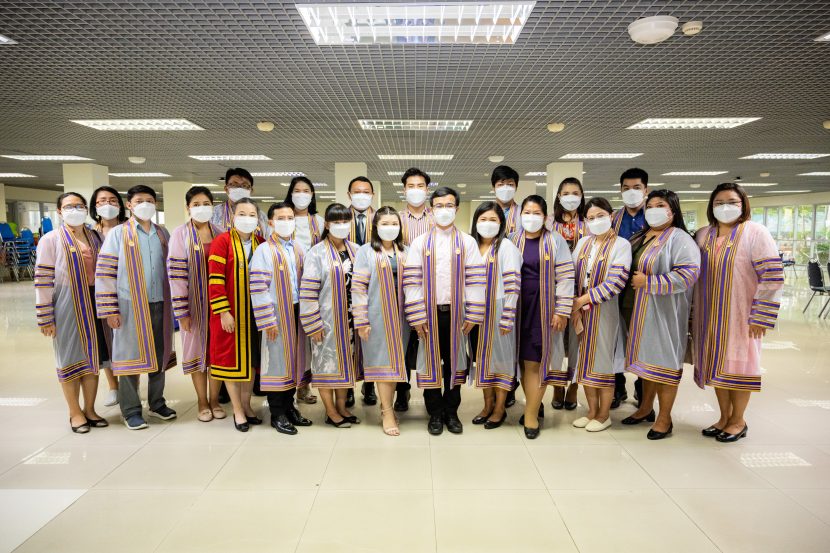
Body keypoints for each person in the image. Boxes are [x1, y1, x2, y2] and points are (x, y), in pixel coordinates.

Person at [693, 183, 784, 443]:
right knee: (718, 367)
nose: (725, 207)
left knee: (740, 367)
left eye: (732, 201)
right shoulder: (703, 235)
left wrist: (761, 315)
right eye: (719, 202)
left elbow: (772, 276)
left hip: (741, 316)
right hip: (709, 315)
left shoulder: (755, 233)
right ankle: (724, 417)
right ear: (711, 206)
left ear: (743, 204)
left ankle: (738, 420)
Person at [403, 187, 486, 435]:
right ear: (431, 210)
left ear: (457, 209)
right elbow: (412, 281)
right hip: (428, 314)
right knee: (430, 362)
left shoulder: (467, 242)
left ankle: (451, 412)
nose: (444, 210)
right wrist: (416, 315)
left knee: (455, 363)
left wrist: (473, 313)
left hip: (457, 314)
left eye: (449, 205)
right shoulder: (420, 243)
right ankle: (435, 413)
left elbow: (475, 281)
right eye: (439, 206)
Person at [95, 185, 177, 430]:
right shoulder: (118, 234)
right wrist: (110, 309)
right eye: (139, 201)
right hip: (129, 305)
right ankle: (130, 410)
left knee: (159, 355)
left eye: (149, 200)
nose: (145, 205)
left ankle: (157, 403)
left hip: (160, 302)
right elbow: (105, 273)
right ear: (129, 205)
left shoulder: (162, 233)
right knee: (129, 357)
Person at [620, 190, 700, 439]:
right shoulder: (641, 236)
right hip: (636, 309)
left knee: (664, 363)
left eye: (660, 205)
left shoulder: (680, 239)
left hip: (664, 312)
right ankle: (645, 408)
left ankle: (665, 419)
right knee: (647, 362)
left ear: (672, 210)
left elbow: (688, 275)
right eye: (651, 205)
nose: (654, 209)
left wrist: (649, 282)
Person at [35, 192, 109, 433]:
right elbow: (43, 279)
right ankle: (74, 412)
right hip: (67, 301)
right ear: (59, 211)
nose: (75, 210)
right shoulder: (51, 239)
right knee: (69, 357)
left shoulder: (95, 237)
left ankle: (90, 409)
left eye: (79, 206)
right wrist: (45, 317)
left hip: (95, 299)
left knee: (93, 357)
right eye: (69, 206)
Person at [509, 195, 575, 439]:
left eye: (536, 213)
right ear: (520, 215)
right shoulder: (511, 239)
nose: (531, 217)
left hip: (544, 308)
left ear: (545, 217)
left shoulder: (555, 240)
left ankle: (530, 416)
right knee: (522, 360)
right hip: (517, 307)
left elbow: (566, 277)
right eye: (527, 212)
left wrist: (562, 310)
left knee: (537, 360)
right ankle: (533, 405)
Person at [250, 202, 314, 435]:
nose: (286, 222)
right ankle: (277, 412)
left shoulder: (298, 247)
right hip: (276, 313)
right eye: (281, 218)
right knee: (277, 362)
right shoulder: (264, 250)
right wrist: (267, 320)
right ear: (271, 222)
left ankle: (290, 407)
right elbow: (258, 287)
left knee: (294, 360)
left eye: (290, 218)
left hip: (297, 310)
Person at [570, 197, 632, 432]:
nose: (596, 221)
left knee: (602, 361)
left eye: (600, 216)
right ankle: (591, 411)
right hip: (579, 312)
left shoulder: (621, 245)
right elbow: (570, 274)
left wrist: (583, 300)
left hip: (604, 311)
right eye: (591, 218)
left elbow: (616, 281)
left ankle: (604, 414)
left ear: (611, 216)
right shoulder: (583, 243)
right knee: (584, 360)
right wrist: (572, 300)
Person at [300, 203, 362, 428]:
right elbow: (308, 292)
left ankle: (342, 406)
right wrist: (312, 323)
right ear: (326, 224)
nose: (341, 225)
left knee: (345, 364)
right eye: (336, 222)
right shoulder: (316, 252)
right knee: (326, 365)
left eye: (345, 221)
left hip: (351, 320)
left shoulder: (356, 249)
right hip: (326, 321)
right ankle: (330, 411)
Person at [167, 186, 225, 422]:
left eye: (206, 204)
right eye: (196, 204)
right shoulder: (180, 234)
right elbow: (176, 275)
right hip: (193, 305)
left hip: (219, 304)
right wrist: (182, 312)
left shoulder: (220, 232)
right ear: (188, 208)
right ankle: (202, 401)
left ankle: (215, 399)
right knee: (197, 352)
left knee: (217, 352)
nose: (202, 208)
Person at [208, 197, 264, 432]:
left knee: (251, 360)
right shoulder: (222, 242)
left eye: (252, 215)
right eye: (242, 214)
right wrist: (223, 311)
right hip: (230, 312)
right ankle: (237, 410)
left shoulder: (261, 242)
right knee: (230, 361)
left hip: (255, 312)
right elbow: (215, 279)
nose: (247, 219)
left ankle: (247, 404)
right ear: (232, 216)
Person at [352, 207, 410, 436]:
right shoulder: (366, 251)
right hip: (376, 316)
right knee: (382, 363)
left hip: (402, 317)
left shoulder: (406, 250)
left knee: (395, 364)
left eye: (394, 223)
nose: (390, 228)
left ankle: (388, 406)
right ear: (376, 226)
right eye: (385, 223)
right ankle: (387, 411)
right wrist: (361, 320)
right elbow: (358, 287)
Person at [469, 202, 522, 429]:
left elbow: (513, 284)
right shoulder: (471, 245)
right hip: (475, 311)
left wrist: (508, 315)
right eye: (483, 219)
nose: (487, 224)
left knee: (501, 361)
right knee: (482, 359)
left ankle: (500, 408)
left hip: (499, 308)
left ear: (501, 223)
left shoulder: (506, 247)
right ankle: (487, 404)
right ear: (475, 222)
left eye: (493, 220)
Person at [547, 177, 587, 411]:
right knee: (555, 339)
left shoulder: (589, 223)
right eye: (566, 193)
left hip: (583, 291)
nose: (570, 197)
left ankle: (574, 386)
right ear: (559, 196)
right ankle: (557, 384)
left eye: (575, 193)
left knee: (579, 340)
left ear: (581, 196)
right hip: (555, 289)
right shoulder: (549, 223)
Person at [610, 167, 650, 409]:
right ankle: (617, 387)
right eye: (626, 188)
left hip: (644, 289)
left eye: (637, 187)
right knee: (614, 339)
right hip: (615, 289)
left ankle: (643, 388)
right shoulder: (613, 219)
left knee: (644, 339)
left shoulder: (654, 217)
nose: (631, 192)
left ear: (646, 189)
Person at [283, 176, 323, 407]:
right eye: (297, 190)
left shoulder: (318, 221)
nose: (301, 194)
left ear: (312, 194)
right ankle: (289, 384)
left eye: (306, 190)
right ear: (290, 193)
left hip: (315, 285)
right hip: (288, 286)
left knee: (310, 337)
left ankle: (305, 385)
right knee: (292, 338)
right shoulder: (283, 219)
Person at [396, 167, 434, 412]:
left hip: (431, 290)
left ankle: (431, 392)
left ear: (427, 190)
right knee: (402, 340)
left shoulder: (436, 218)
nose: (416, 190)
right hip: (401, 289)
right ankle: (402, 389)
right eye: (411, 186)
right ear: (404, 190)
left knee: (428, 339)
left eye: (420, 186)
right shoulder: (396, 219)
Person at [89, 185, 127, 406]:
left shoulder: (128, 229)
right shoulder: (90, 234)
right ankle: (114, 386)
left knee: (127, 338)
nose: (108, 204)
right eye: (102, 200)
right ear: (95, 206)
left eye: (113, 200)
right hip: (101, 292)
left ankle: (130, 383)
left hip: (128, 291)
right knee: (106, 339)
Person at [211, 167, 270, 235]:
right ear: (226, 189)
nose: (239, 189)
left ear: (251, 190)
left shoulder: (261, 216)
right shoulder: (214, 214)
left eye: (244, 185)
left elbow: (267, 237)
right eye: (234, 185)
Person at [491, 165, 523, 234]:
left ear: (516, 188)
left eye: (510, 184)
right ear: (493, 188)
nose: (505, 188)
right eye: (500, 184)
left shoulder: (523, 212)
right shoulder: (486, 212)